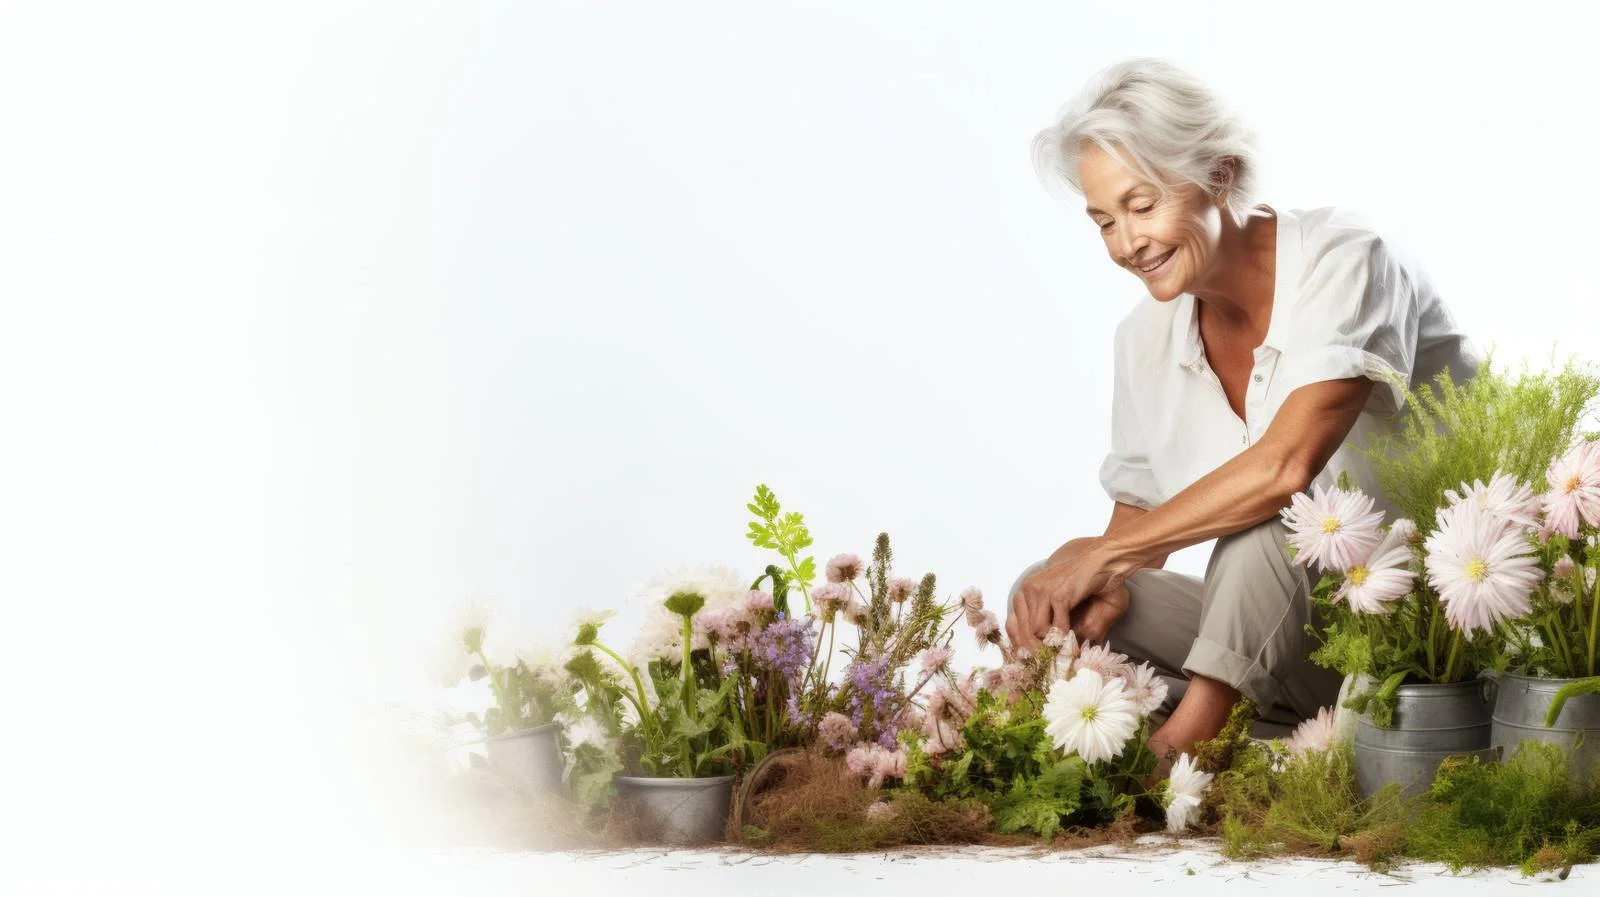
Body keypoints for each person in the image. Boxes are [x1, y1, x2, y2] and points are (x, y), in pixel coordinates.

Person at [1007, 57, 1481, 770]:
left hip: (1421, 642)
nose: (1126, 244)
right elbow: (1138, 532)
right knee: (1047, 585)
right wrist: (1087, 582)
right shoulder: (1143, 339)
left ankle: (1181, 752)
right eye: (1103, 221)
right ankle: (1264, 742)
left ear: (1219, 174)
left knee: (1273, 520)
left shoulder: (1344, 259)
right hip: (1285, 641)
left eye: (1141, 206)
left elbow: (1285, 468)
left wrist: (1107, 557)